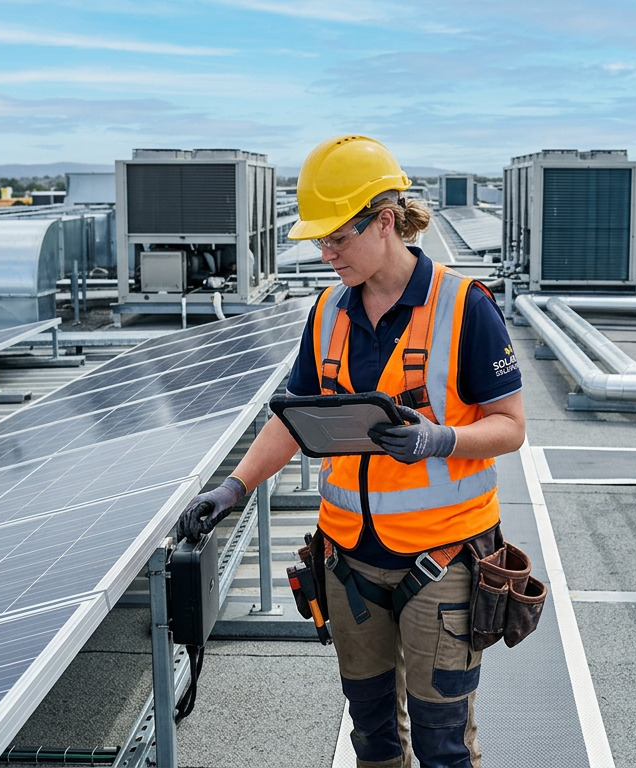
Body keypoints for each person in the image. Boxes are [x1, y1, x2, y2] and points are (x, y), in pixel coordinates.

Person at [178, 135, 525, 768]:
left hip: (443, 557)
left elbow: (510, 426)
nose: (326, 253)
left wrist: (438, 440)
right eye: (320, 240)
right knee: (372, 736)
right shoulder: (327, 312)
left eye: (338, 238)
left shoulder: (464, 306)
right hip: (349, 563)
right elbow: (293, 417)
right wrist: (234, 488)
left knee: (443, 743)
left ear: (385, 221)